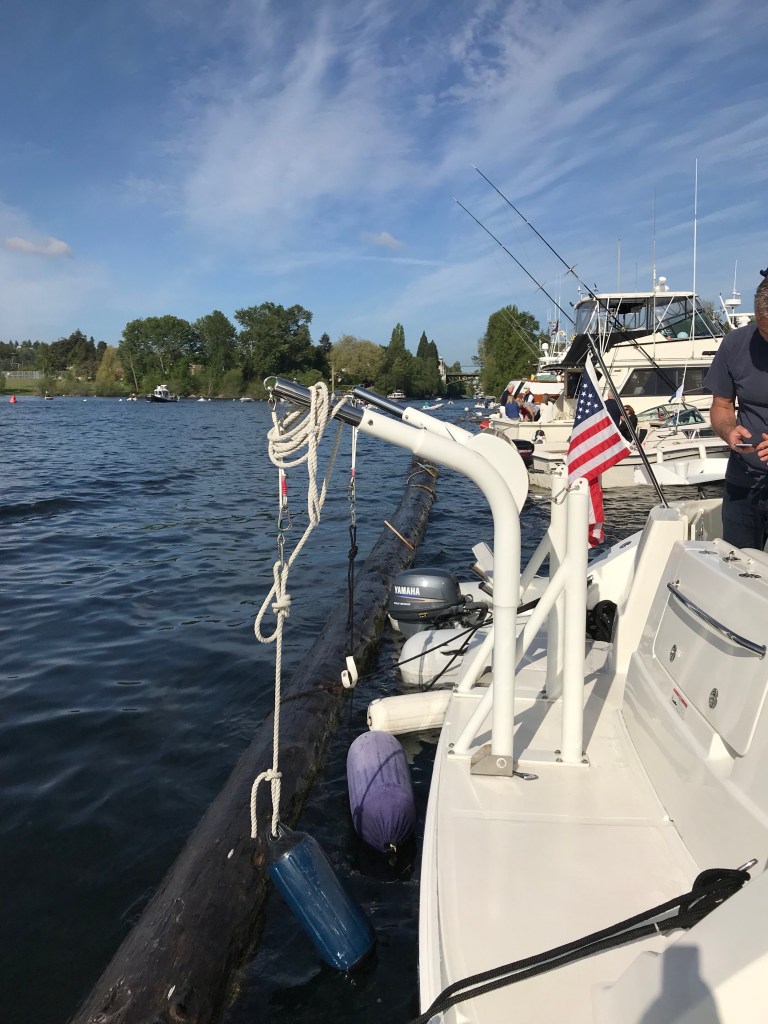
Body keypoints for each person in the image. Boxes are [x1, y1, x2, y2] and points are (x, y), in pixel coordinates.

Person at [704, 271, 768, 548]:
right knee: (737, 565)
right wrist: (728, 429)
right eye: (764, 332)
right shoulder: (734, 343)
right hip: (744, 484)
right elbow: (721, 405)